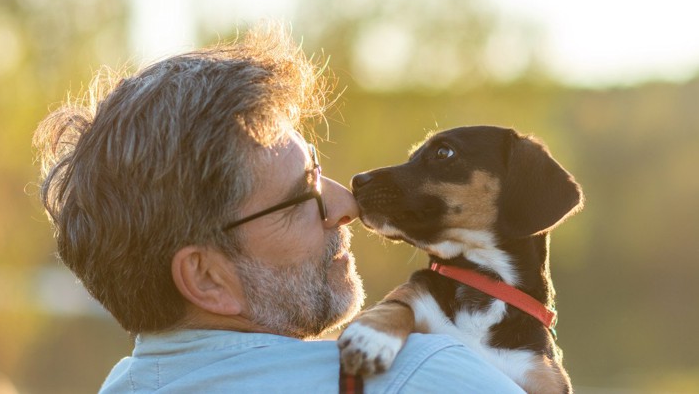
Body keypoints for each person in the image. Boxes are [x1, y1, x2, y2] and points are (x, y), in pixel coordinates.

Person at [34, 23, 523, 393]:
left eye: (316, 166)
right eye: (299, 195)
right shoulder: (421, 377)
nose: (344, 203)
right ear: (206, 277)